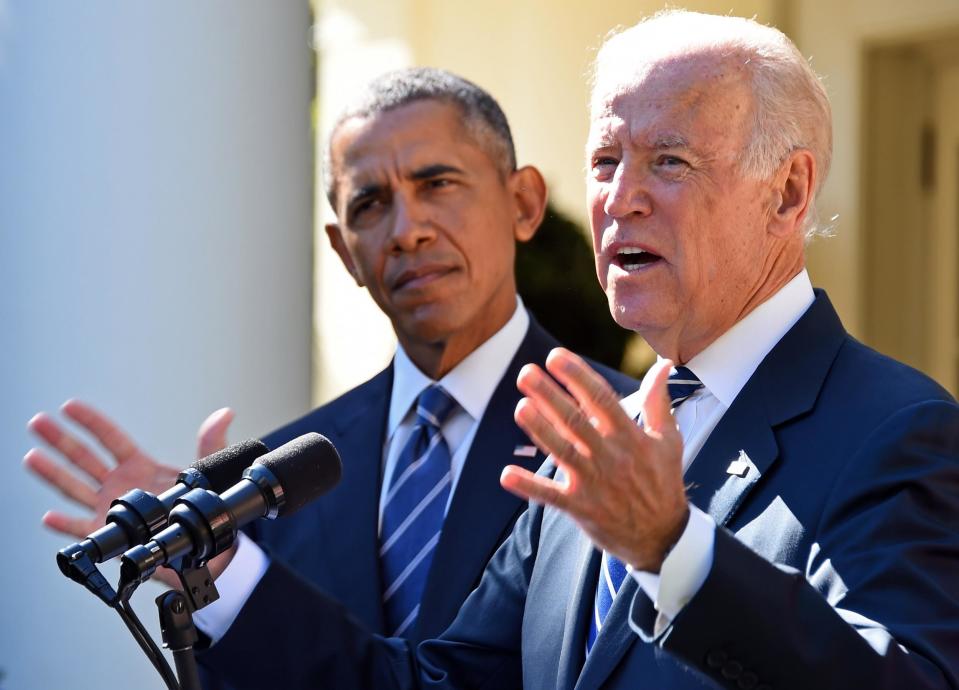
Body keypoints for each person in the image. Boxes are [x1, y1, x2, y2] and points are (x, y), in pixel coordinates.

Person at [194, 10, 959, 690]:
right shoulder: (584, 450)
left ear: (787, 192)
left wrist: (676, 551)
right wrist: (226, 576)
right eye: (603, 161)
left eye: (668, 160)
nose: (619, 198)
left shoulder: (897, 430)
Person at [25, 67, 636, 655]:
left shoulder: (628, 433)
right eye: (370, 204)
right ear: (345, 252)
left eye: (438, 184)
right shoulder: (278, 479)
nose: (407, 229)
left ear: (523, 203)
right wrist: (209, 561)